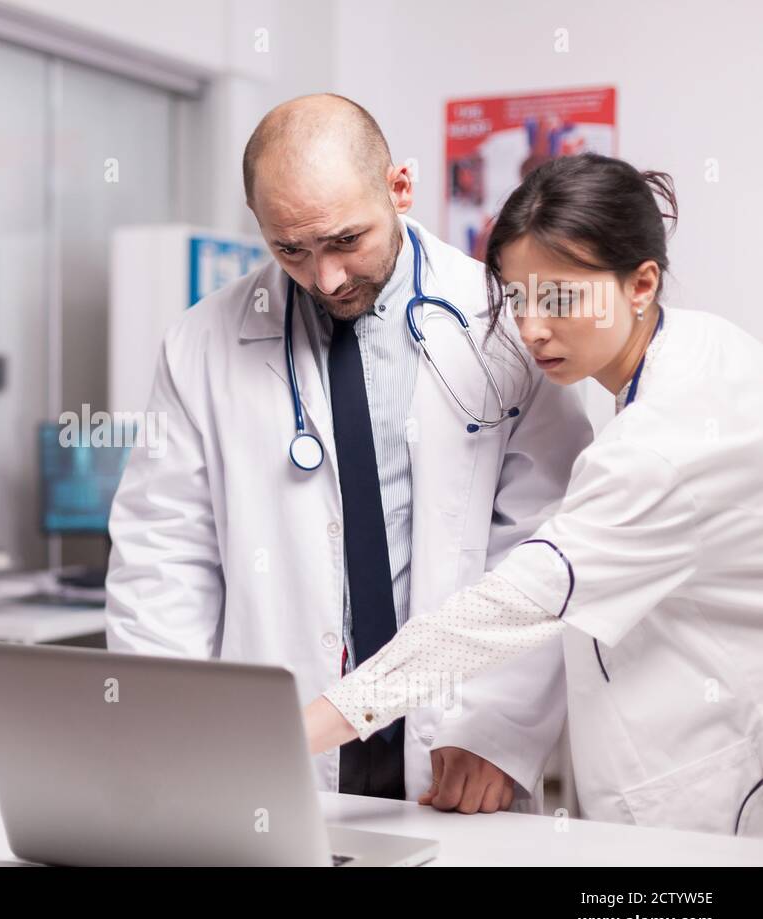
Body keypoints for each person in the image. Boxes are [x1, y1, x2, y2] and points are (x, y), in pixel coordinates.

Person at [105, 94, 593, 812]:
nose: (326, 277)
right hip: (272, 753)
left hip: (456, 741)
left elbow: (547, 546)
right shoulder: (200, 344)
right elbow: (162, 559)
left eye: (344, 240)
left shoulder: (502, 319)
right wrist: (169, 738)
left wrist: (500, 729)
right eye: (290, 250)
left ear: (400, 187)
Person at [306, 153, 763, 837]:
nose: (531, 329)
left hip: (703, 797)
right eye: (516, 299)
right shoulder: (703, 353)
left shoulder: (664, 442)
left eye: (559, 299)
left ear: (641, 283)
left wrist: (300, 728)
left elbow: (513, 606)